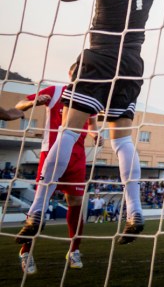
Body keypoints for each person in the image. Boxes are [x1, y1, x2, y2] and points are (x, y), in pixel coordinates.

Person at [17, 0, 164, 246]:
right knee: (122, 141)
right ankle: (135, 212)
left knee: (68, 131)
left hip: (100, 57)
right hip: (131, 63)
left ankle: (36, 210)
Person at [14, 64, 102, 274]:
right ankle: (26, 252)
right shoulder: (55, 91)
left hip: (76, 158)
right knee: (40, 204)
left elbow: (92, 124)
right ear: (70, 74)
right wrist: (33, 102)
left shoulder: (91, 97)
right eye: (77, 72)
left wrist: (95, 134)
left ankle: (74, 250)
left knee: (77, 203)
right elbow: (19, 105)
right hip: (51, 155)